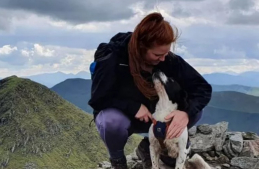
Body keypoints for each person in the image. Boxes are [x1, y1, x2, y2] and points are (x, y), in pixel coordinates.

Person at [88, 12, 212, 169]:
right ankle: (118, 161)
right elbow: (98, 99)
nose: (163, 59)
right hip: (125, 117)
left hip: (157, 118)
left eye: (166, 53)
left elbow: (202, 88)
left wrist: (185, 113)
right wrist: (133, 107)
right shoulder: (113, 59)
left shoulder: (167, 59)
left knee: (195, 109)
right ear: (141, 48)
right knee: (110, 123)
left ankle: (154, 148)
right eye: (157, 54)